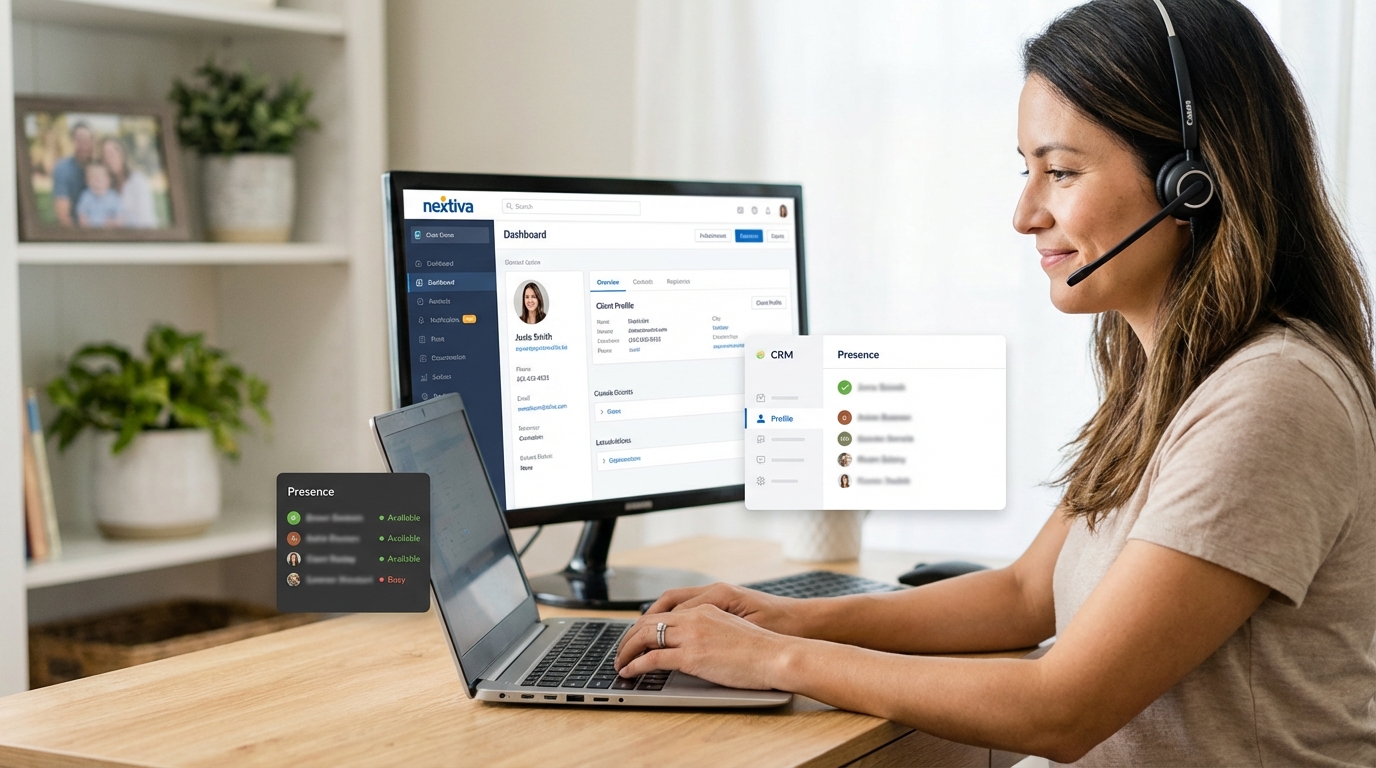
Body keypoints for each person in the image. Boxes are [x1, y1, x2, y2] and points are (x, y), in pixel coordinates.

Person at [615, 1, 1376, 764]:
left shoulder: (1272, 396)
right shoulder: (1169, 379)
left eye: (1062, 172)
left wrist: (772, 661)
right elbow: (1024, 595)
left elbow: (1062, 709)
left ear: (1191, 183)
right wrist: (782, 618)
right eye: (1028, 171)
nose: (1024, 213)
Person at [101, 136, 158, 228]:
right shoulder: (106, 186)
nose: (108, 159)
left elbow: (144, 219)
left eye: (111, 154)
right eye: (105, 155)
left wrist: (120, 222)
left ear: (122, 154)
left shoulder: (137, 181)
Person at [51, 121, 94, 227]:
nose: (83, 144)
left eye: (87, 140)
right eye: (79, 140)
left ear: (93, 142)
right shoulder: (62, 168)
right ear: (72, 141)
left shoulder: (102, 166)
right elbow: (63, 217)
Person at [76, 163, 122, 228]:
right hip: (90, 232)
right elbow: (82, 215)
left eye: (100, 178)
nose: (97, 182)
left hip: (109, 233)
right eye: (93, 179)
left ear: (108, 180)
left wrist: (114, 222)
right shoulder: (86, 197)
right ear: (87, 181)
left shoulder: (113, 197)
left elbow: (120, 217)